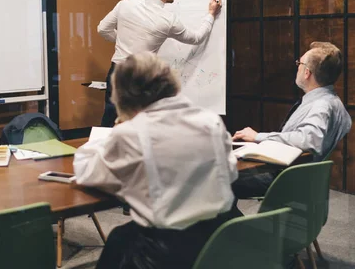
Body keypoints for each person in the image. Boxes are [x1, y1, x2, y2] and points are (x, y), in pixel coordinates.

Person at [73, 52, 239, 269]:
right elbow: (231, 172)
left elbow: (88, 172)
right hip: (222, 236)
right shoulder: (210, 121)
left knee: (119, 239)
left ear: (122, 96)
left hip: (165, 251)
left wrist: (116, 129)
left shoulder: (131, 133)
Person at [97, 0, 223, 127]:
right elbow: (197, 37)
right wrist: (211, 14)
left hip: (117, 70)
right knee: (140, 123)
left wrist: (121, 41)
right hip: (142, 76)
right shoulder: (168, 20)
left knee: (110, 118)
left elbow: (102, 29)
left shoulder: (125, 4)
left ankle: (104, 150)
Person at [232, 41, 352, 199]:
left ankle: (230, 224)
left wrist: (258, 137)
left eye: (299, 63)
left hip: (285, 178)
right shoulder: (333, 101)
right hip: (299, 177)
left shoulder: (321, 106)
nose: (297, 67)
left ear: (307, 72)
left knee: (217, 181)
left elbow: (310, 140)